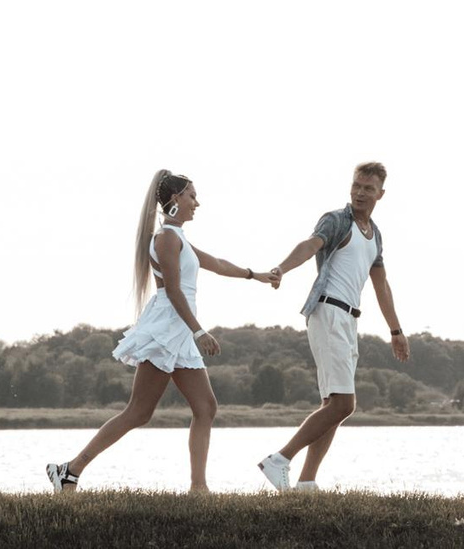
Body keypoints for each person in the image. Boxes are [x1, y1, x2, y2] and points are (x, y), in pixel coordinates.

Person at [45, 168, 278, 494]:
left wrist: (256, 275)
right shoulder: (166, 238)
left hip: (179, 332)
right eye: (192, 196)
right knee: (139, 412)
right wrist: (199, 332)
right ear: (175, 198)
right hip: (167, 330)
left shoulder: (179, 238)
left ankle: (198, 488)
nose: (197, 202)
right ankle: (69, 471)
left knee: (206, 408)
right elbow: (173, 291)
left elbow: (218, 263)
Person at [256, 161, 409, 492]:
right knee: (343, 404)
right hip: (328, 312)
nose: (360, 193)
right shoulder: (337, 220)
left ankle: (307, 481)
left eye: (368, 188)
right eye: (356, 185)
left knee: (333, 408)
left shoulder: (375, 235)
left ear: (381, 194)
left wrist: (395, 331)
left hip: (349, 320)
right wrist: (282, 268)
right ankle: (279, 459)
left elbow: (381, 285)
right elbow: (311, 245)